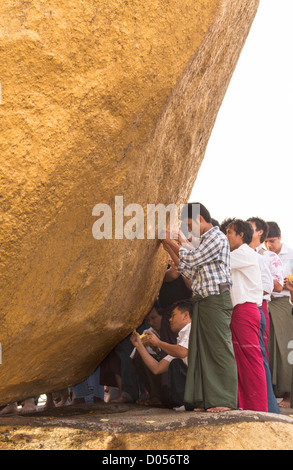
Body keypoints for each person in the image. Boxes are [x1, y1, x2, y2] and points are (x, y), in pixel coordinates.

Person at [161, 203, 238, 413]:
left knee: (219, 350)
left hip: (215, 300)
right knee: (202, 352)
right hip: (203, 300)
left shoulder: (216, 237)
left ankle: (226, 400)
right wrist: (169, 244)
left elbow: (192, 260)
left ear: (201, 220)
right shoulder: (203, 241)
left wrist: (170, 241)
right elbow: (189, 270)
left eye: (189, 225)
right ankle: (206, 399)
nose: (188, 231)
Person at [226, 219, 268, 412]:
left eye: (229, 232)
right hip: (241, 311)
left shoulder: (243, 253)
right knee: (243, 360)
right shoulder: (238, 253)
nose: (226, 237)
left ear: (241, 235)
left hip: (245, 310)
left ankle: (257, 407)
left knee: (251, 359)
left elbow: (219, 262)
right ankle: (248, 405)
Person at [130, 300, 192, 409]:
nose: (170, 319)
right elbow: (157, 368)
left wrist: (158, 343)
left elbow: (182, 351)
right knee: (175, 363)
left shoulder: (191, 328)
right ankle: (186, 403)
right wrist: (139, 345)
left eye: (173, 315)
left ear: (186, 316)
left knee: (176, 364)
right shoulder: (179, 341)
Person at [264, 221, 293, 408]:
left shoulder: (290, 255)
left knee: (286, 350)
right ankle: (274, 393)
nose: (269, 245)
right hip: (267, 302)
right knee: (270, 349)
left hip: (285, 302)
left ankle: (289, 395)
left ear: (280, 238)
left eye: (272, 241)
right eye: (266, 241)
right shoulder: (262, 255)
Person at [247, 217, 284, 359]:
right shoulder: (240, 252)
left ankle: (264, 381)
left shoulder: (269, 257)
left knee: (259, 349)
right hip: (241, 305)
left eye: (250, 228)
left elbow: (278, 287)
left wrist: (260, 275)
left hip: (259, 304)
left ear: (260, 232)